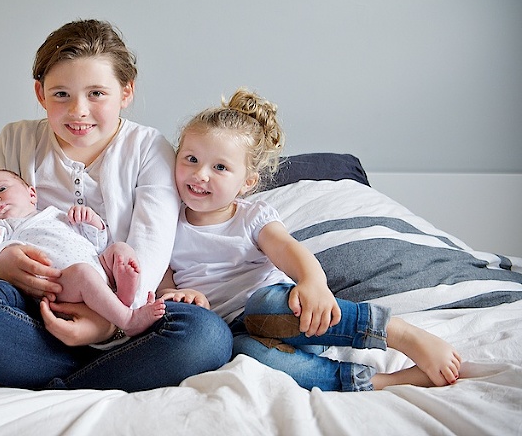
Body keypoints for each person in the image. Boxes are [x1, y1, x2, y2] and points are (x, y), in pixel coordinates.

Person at [0, 19, 232, 391]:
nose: (79, 110)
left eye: (96, 93)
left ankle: (24, 382)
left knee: (207, 336)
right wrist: (0, 261)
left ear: (126, 92)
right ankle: (72, 378)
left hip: (126, 323)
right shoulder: (16, 139)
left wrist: (105, 322)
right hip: (34, 317)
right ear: (40, 94)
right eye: (61, 94)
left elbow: (151, 244)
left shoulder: (149, 148)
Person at [158, 88, 462, 391]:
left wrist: (313, 282)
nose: (200, 174)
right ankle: (375, 381)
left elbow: (288, 249)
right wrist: (176, 294)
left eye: (220, 167)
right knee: (244, 355)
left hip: (297, 321)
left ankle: (397, 332)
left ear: (247, 182)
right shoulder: (165, 222)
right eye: (191, 159)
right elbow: (162, 276)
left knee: (263, 305)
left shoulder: (251, 217)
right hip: (240, 334)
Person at [0, 168, 165, 337]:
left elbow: (97, 243)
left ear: (32, 194)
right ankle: (128, 320)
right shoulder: (4, 229)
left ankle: (124, 297)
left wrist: (92, 221)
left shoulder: (55, 214)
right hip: (62, 283)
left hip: (97, 264)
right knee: (83, 273)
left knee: (119, 249)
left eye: (2, 189)